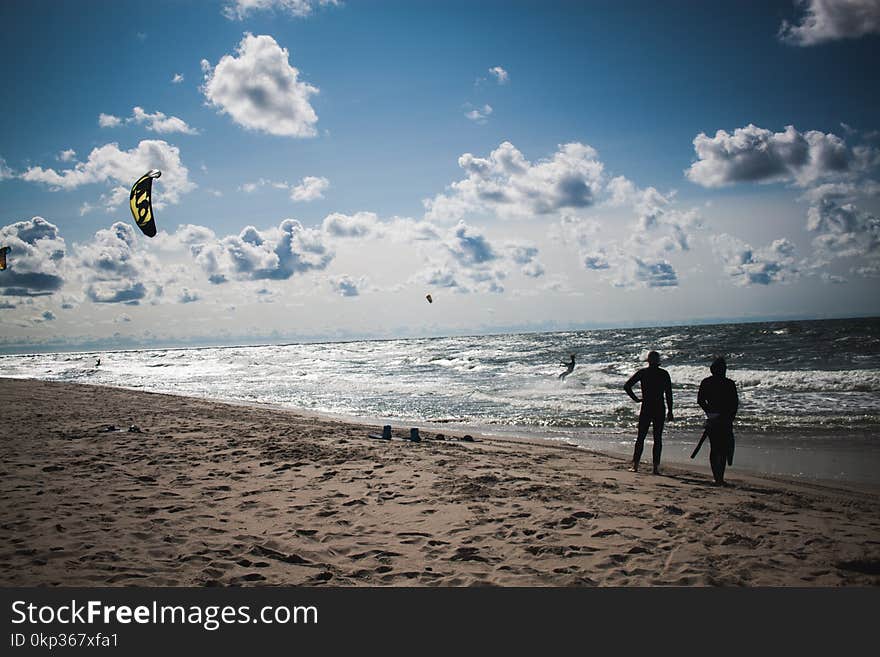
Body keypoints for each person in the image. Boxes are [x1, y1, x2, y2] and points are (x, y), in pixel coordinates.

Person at [624, 350, 673, 474]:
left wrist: (636, 399)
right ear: (658, 361)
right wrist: (670, 410)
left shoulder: (643, 372)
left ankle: (635, 465)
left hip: (647, 406)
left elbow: (627, 386)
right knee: (657, 438)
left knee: (641, 436)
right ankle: (655, 468)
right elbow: (669, 394)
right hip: (659, 407)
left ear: (648, 361)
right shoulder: (664, 374)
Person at [697, 357, 739, 486]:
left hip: (713, 419)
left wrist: (709, 412)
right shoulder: (729, 383)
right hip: (725, 419)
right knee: (723, 448)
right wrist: (730, 416)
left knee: (715, 448)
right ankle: (719, 477)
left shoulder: (706, 382)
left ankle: (717, 477)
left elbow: (700, 400)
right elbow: (735, 403)